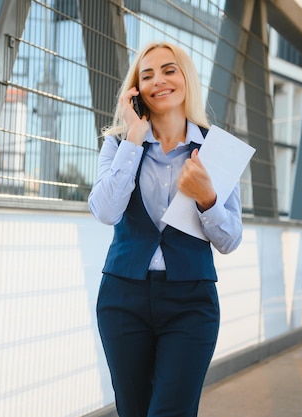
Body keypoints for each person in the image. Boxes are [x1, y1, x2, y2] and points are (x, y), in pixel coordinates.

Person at [87, 41, 243, 417]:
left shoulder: (216, 149)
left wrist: (207, 198)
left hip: (191, 301)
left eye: (169, 70)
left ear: (185, 78)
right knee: (134, 411)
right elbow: (105, 211)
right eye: (148, 74)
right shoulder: (118, 144)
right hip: (123, 298)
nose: (159, 80)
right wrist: (135, 137)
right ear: (136, 89)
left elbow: (231, 239)